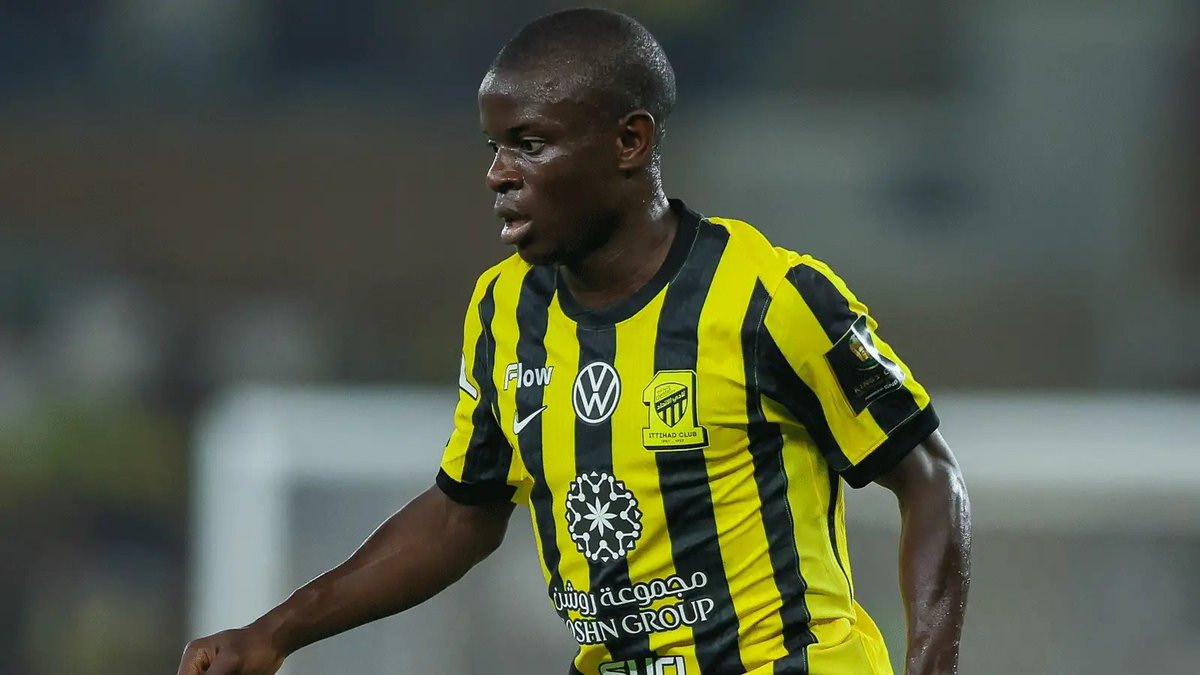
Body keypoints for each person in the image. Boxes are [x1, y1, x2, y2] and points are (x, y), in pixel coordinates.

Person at [177, 8, 970, 675]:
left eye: (529, 144)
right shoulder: (503, 311)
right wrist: (274, 632)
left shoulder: (769, 296)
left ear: (630, 142)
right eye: (493, 146)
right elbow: (461, 513)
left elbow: (930, 479)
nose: (498, 173)